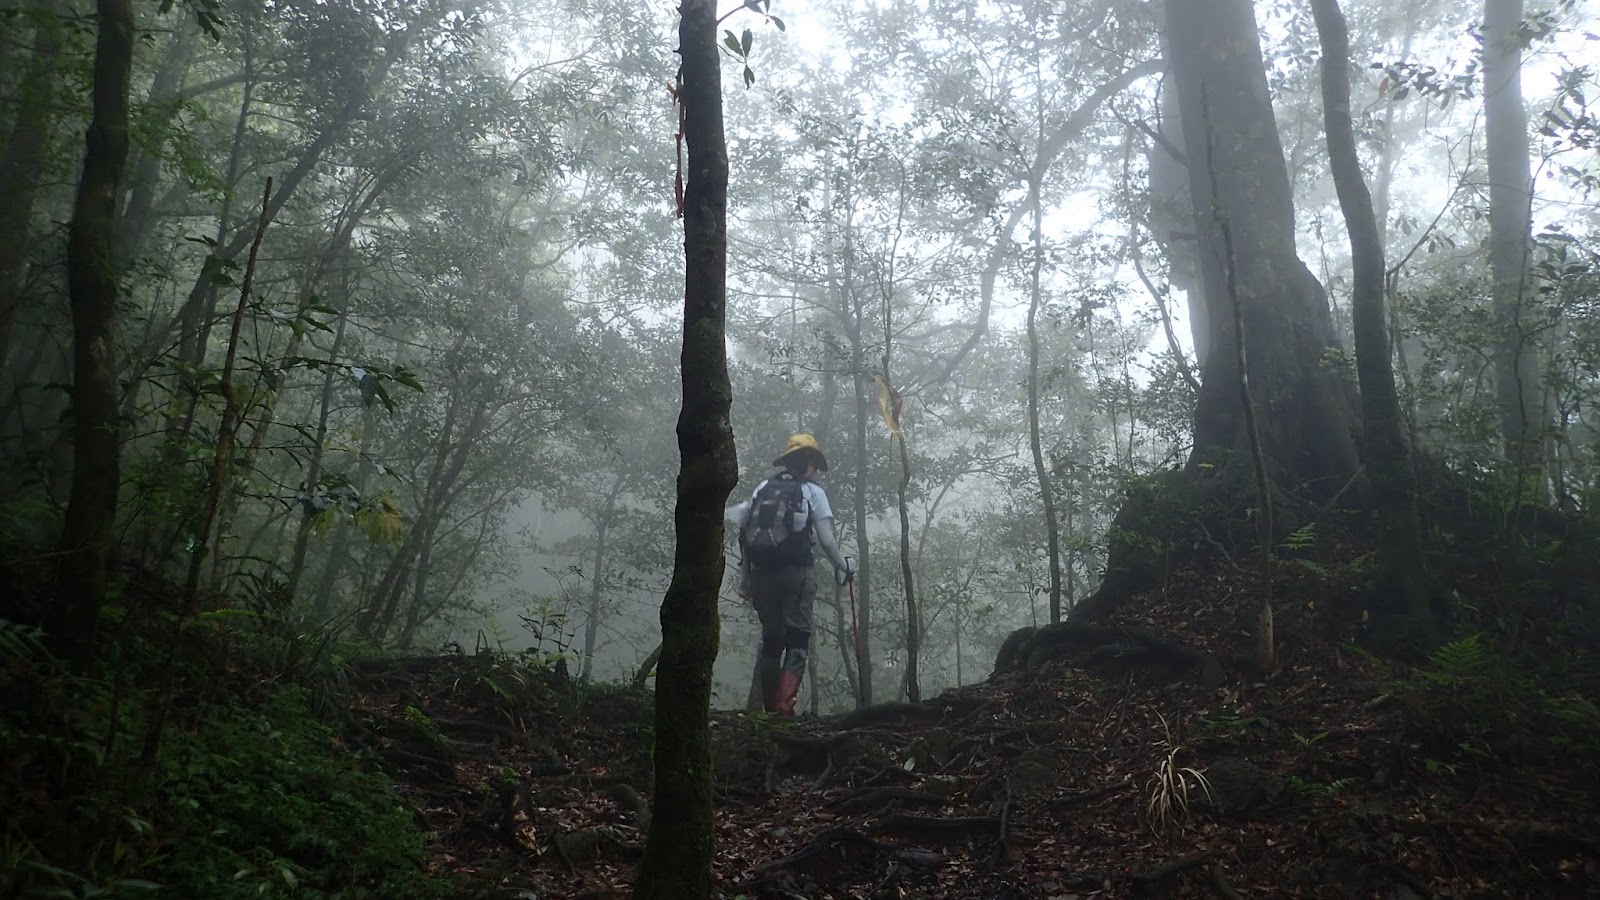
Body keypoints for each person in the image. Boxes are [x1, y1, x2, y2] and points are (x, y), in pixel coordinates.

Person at [736, 434, 855, 716]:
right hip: (797, 573)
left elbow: (745, 534)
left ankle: (769, 710)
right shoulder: (813, 492)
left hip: (761, 572)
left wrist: (746, 578)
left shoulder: (763, 488)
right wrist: (845, 566)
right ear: (811, 462)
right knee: (798, 637)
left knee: (771, 637)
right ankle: (784, 707)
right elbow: (826, 541)